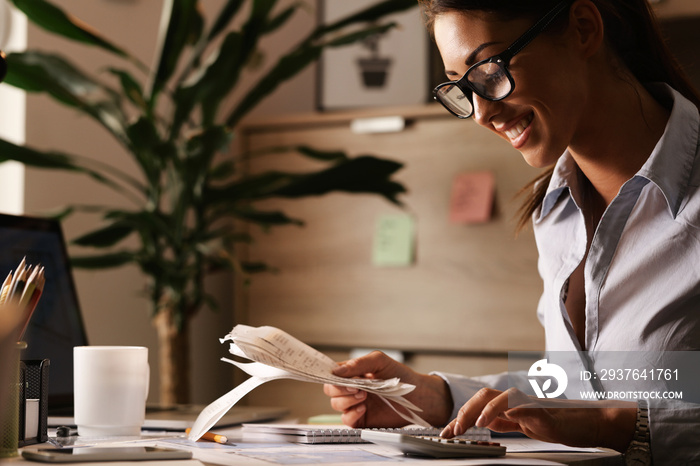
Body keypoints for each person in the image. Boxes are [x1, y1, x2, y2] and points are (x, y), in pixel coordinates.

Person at [323, 0, 700, 463]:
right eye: (462, 87)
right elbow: (573, 391)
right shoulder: (555, 209)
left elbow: (600, 411)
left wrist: (611, 423)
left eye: (488, 70)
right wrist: (435, 398)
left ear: (583, 29)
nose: (481, 112)